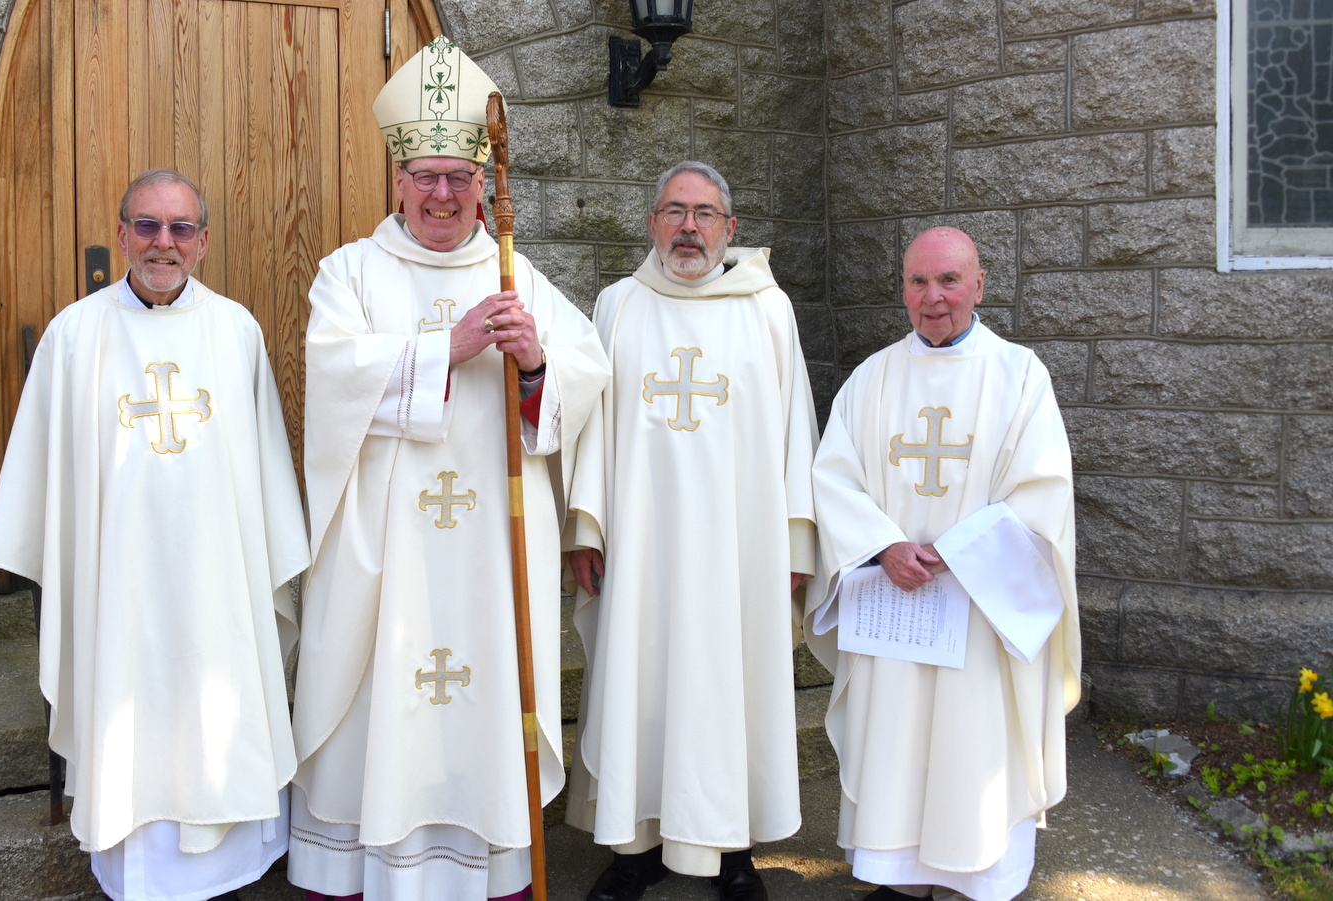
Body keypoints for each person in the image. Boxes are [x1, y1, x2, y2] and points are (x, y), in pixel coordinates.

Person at [287, 36, 609, 901]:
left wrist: (538, 362)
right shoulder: (347, 273)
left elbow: (588, 374)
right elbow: (333, 376)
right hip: (385, 557)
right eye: (425, 177)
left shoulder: (515, 272)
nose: (441, 194)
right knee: (376, 707)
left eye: (458, 179)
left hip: (489, 563)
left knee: (483, 700)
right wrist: (450, 346)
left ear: (482, 185)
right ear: (397, 179)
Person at [0, 169, 309, 901]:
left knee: (219, 709)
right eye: (149, 226)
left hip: (215, 582)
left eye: (181, 228)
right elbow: (43, 477)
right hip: (117, 587)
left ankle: (228, 873)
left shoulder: (236, 331)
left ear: (203, 242)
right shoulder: (75, 336)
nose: (165, 243)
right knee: (127, 714)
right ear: (124, 232)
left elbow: (263, 473)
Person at [562, 161, 819, 901]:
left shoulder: (768, 311)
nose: (688, 227)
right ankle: (634, 848)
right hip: (642, 548)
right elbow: (593, 432)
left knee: (729, 686)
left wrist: (795, 544)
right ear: (651, 224)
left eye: (705, 214)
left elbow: (795, 431)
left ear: (730, 229)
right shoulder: (618, 305)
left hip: (740, 550)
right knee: (637, 681)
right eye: (673, 211)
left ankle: (730, 847)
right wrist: (588, 528)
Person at [804, 227, 1080, 901]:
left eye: (949, 281)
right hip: (895, 613)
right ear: (902, 289)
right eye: (918, 282)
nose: (933, 298)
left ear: (979, 285)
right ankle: (897, 877)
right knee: (894, 740)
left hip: (979, 615)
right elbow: (832, 479)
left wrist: (956, 553)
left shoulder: (1020, 377)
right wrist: (881, 545)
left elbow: (1043, 494)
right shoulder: (871, 380)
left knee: (971, 745)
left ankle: (976, 875)